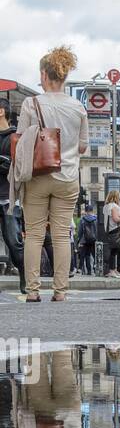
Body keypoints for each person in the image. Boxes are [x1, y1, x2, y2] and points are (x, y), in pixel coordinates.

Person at [14, 46, 88, 303]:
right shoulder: (78, 107)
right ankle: (61, 290)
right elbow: (82, 146)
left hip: (38, 175)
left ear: (44, 75)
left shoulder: (30, 104)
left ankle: (33, 291)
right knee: (60, 235)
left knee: (34, 234)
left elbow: (21, 140)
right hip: (68, 177)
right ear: (64, 76)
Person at [0, 99, 25, 297]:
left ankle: (25, 276)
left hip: (9, 196)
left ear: (2, 112)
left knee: (13, 241)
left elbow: (21, 166)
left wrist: (8, 164)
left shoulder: (16, 137)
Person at [102, 191, 120, 277]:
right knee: (115, 251)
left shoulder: (106, 206)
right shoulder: (114, 206)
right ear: (116, 197)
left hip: (108, 230)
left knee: (112, 251)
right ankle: (113, 270)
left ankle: (113, 270)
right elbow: (116, 219)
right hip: (115, 229)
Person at [75, 202, 98, 276]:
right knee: (94, 255)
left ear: (86, 211)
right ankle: (94, 269)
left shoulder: (82, 219)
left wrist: (79, 240)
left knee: (86, 255)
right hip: (94, 240)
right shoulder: (96, 219)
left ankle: (88, 270)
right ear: (92, 211)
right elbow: (97, 230)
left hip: (84, 240)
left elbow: (80, 231)